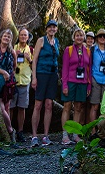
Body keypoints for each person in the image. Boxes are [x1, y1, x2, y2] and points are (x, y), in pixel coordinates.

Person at [30, 19, 60, 147]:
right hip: (42, 74)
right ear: (46, 29)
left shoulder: (56, 42)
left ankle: (46, 136)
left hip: (52, 76)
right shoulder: (41, 41)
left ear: (56, 29)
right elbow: (34, 60)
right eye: (50, 27)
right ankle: (34, 136)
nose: (52, 29)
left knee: (49, 105)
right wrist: (34, 77)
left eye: (54, 27)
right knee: (38, 105)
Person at [61, 28, 91, 145]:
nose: (79, 37)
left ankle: (75, 134)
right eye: (77, 35)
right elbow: (64, 68)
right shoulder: (68, 50)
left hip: (82, 82)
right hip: (70, 82)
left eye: (81, 35)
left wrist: (88, 86)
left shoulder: (87, 51)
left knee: (78, 108)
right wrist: (64, 85)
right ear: (74, 37)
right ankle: (65, 135)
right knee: (67, 107)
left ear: (84, 38)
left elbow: (89, 69)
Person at [89, 28, 105, 125]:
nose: (102, 38)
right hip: (95, 79)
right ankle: (93, 130)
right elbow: (90, 64)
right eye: (100, 36)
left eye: (104, 36)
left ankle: (104, 128)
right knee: (95, 106)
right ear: (97, 38)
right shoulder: (93, 49)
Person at [12, 27, 33, 142]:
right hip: (13, 81)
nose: (23, 37)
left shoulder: (30, 49)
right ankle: (10, 131)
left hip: (25, 81)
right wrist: (14, 55)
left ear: (28, 37)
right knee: (11, 107)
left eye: (25, 35)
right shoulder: (13, 48)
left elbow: (34, 65)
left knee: (22, 107)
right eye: (21, 35)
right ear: (18, 36)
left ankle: (20, 131)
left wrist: (29, 59)